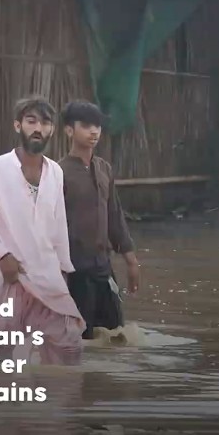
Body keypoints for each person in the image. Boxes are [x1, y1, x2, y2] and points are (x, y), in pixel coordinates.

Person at [0, 96, 85, 365]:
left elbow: (59, 225)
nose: (38, 128)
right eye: (31, 121)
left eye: (45, 123)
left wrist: (63, 269)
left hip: (48, 278)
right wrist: (1, 256)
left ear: (52, 130)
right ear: (18, 125)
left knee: (69, 349)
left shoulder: (55, 172)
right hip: (10, 277)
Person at [58, 100, 141, 339]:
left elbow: (115, 216)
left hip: (103, 266)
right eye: (86, 126)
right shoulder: (57, 172)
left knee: (116, 333)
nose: (94, 131)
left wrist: (131, 261)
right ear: (69, 130)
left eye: (97, 126)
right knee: (79, 337)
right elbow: (47, 226)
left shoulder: (104, 168)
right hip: (74, 269)